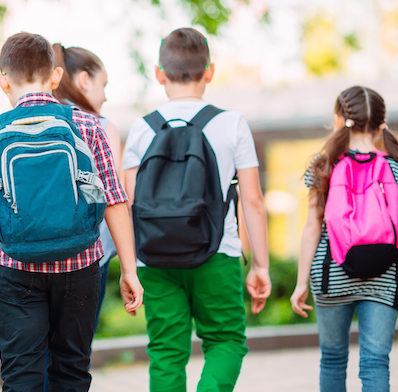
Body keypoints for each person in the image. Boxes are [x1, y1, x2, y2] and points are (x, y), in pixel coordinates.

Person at [0, 32, 143, 392]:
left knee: (21, 376)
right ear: (56, 77)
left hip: (17, 270)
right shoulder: (88, 126)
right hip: (81, 265)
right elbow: (115, 200)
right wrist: (129, 269)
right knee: (71, 372)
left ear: (3, 81)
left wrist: (14, 235)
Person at [123, 28, 271, 392]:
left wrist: (129, 268)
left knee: (166, 353)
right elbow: (252, 200)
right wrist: (261, 265)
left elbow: (127, 202)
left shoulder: (142, 129)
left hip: (154, 259)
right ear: (210, 71)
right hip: (217, 253)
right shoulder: (231, 123)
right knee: (225, 341)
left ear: (160, 74)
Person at [290, 86, 398, 392]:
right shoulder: (397, 170)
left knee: (333, 359)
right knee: (376, 362)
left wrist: (300, 283)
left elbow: (311, 228)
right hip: (384, 278)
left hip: (332, 275)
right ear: (381, 125)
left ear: (338, 120)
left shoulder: (323, 167)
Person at [51, 43, 122, 331]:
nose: (105, 95)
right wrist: (129, 267)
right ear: (83, 80)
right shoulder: (101, 127)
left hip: (34, 252)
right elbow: (116, 199)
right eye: (103, 84)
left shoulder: (34, 120)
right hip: (89, 255)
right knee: (73, 353)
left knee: (38, 352)